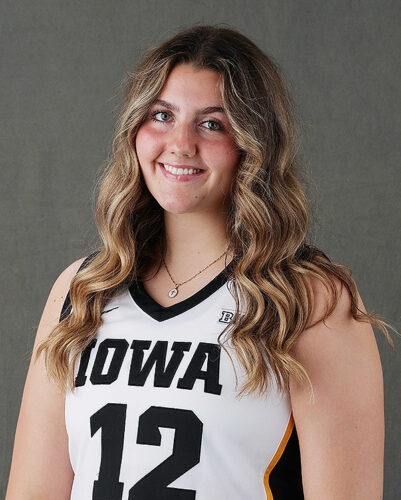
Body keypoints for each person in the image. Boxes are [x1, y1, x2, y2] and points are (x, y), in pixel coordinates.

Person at [6, 25, 395, 500]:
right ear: (134, 130)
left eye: (212, 124)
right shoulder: (83, 290)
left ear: (253, 143)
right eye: (161, 115)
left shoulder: (308, 300)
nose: (180, 143)